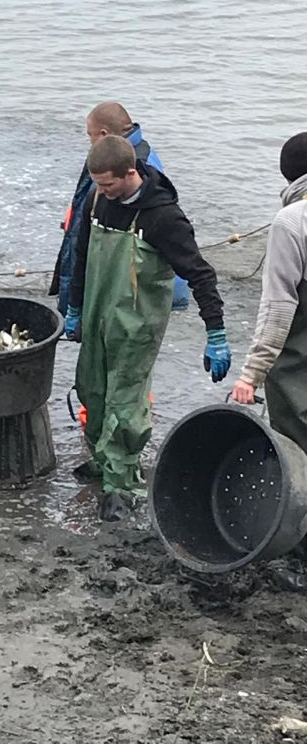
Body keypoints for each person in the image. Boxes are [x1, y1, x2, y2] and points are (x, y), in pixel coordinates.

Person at [64, 136, 230, 521]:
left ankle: (122, 484)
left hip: (137, 326)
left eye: (108, 184)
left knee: (125, 403)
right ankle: (104, 459)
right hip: (97, 314)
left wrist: (216, 332)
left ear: (130, 173)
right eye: (97, 184)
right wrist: (74, 306)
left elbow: (201, 275)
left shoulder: (164, 218)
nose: (102, 191)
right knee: (92, 389)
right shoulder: (96, 200)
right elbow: (81, 255)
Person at [232, 132, 307, 589]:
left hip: (298, 367)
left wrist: (251, 374)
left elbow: (279, 308)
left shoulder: (291, 221)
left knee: (298, 452)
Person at [49, 101, 189, 315]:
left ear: (103, 134)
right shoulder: (105, 159)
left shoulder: (139, 167)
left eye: (90, 136)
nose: (90, 142)